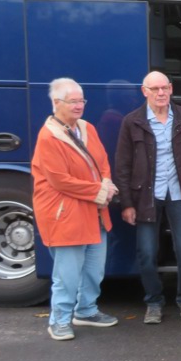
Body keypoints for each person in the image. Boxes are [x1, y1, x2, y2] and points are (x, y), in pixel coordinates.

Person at [33, 78, 120, 340]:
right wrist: (100, 191)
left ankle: (86, 311)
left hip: (93, 212)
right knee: (67, 274)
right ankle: (59, 320)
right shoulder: (48, 137)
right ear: (56, 103)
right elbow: (60, 180)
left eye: (81, 100)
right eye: (73, 101)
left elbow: (103, 161)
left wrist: (105, 182)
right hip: (66, 214)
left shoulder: (87, 127)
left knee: (95, 269)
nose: (79, 105)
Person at [114, 71, 181, 324]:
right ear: (144, 91)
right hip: (146, 196)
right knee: (147, 252)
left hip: (179, 193)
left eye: (164, 88)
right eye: (154, 89)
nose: (160, 93)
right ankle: (153, 302)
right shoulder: (132, 121)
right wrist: (127, 203)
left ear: (171, 89)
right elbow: (122, 165)